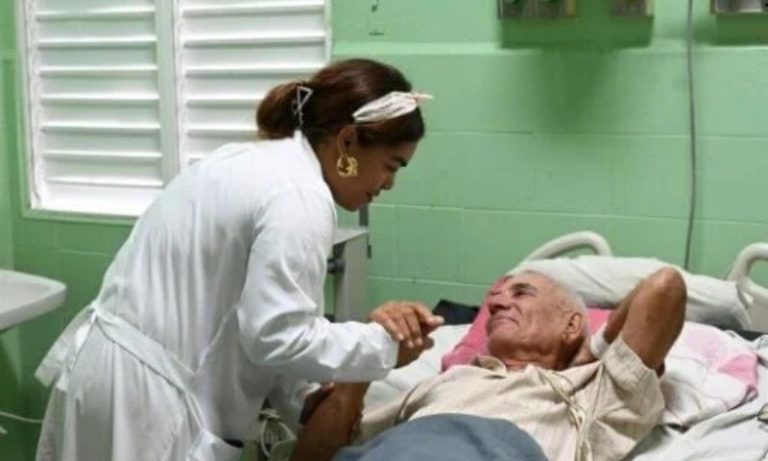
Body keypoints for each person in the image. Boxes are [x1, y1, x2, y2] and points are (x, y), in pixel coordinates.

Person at [34, 59, 444, 461]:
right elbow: (276, 336)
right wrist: (383, 344)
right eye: (391, 166)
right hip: (149, 409)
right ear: (348, 142)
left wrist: (302, 398)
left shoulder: (245, 160)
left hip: (102, 376)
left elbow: (249, 315)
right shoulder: (301, 197)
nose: (389, 184)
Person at [291, 268, 687, 461]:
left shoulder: (592, 391)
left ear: (571, 325)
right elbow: (311, 456)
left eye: (522, 293)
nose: (496, 302)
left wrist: (591, 353)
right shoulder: (449, 380)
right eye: (495, 297)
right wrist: (366, 357)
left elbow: (665, 287)